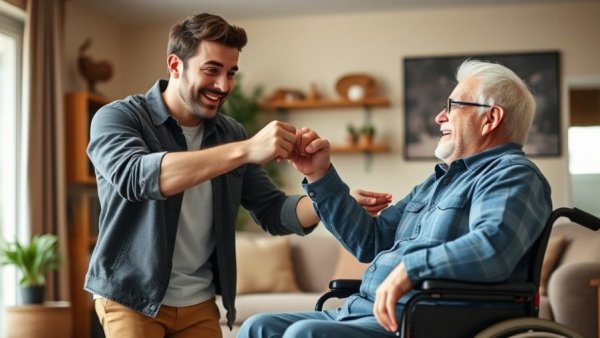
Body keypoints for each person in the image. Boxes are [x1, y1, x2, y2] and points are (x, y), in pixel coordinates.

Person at [85, 12, 391, 338]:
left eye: (231, 73)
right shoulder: (118, 118)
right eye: (211, 70)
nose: (224, 85)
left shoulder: (230, 132)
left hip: (199, 303)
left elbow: (274, 211)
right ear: (175, 65)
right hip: (131, 298)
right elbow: (138, 178)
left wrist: (333, 202)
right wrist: (245, 150)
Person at [238, 59, 553, 338]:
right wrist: (320, 175)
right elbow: (370, 241)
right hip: (368, 311)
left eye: (453, 106)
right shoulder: (436, 182)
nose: (438, 117)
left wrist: (410, 269)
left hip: (428, 319)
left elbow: (492, 248)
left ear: (491, 118)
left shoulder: (513, 176)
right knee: (258, 327)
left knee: (305, 334)